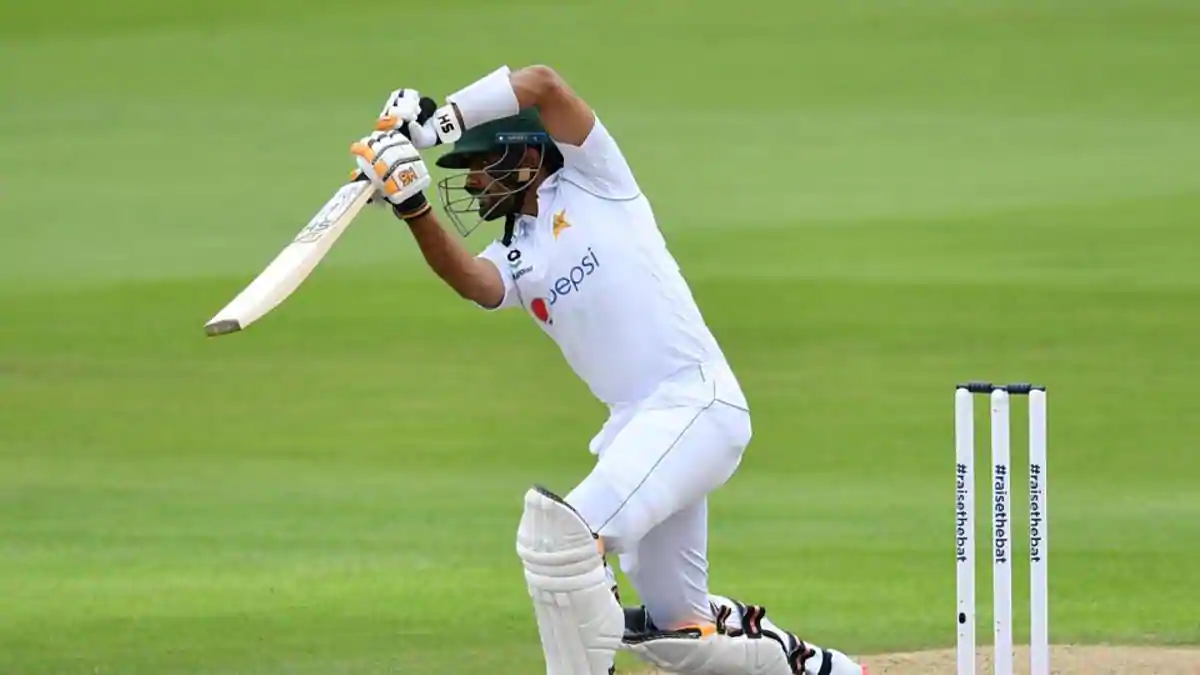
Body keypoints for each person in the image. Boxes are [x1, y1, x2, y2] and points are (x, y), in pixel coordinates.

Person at [348, 65, 867, 675]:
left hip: (693, 403)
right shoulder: (518, 251)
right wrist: (412, 208)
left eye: (480, 167)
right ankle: (817, 668)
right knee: (678, 629)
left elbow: (540, 83)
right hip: (640, 426)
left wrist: (436, 128)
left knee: (560, 537)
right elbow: (473, 281)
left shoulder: (596, 177)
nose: (474, 185)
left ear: (525, 155)